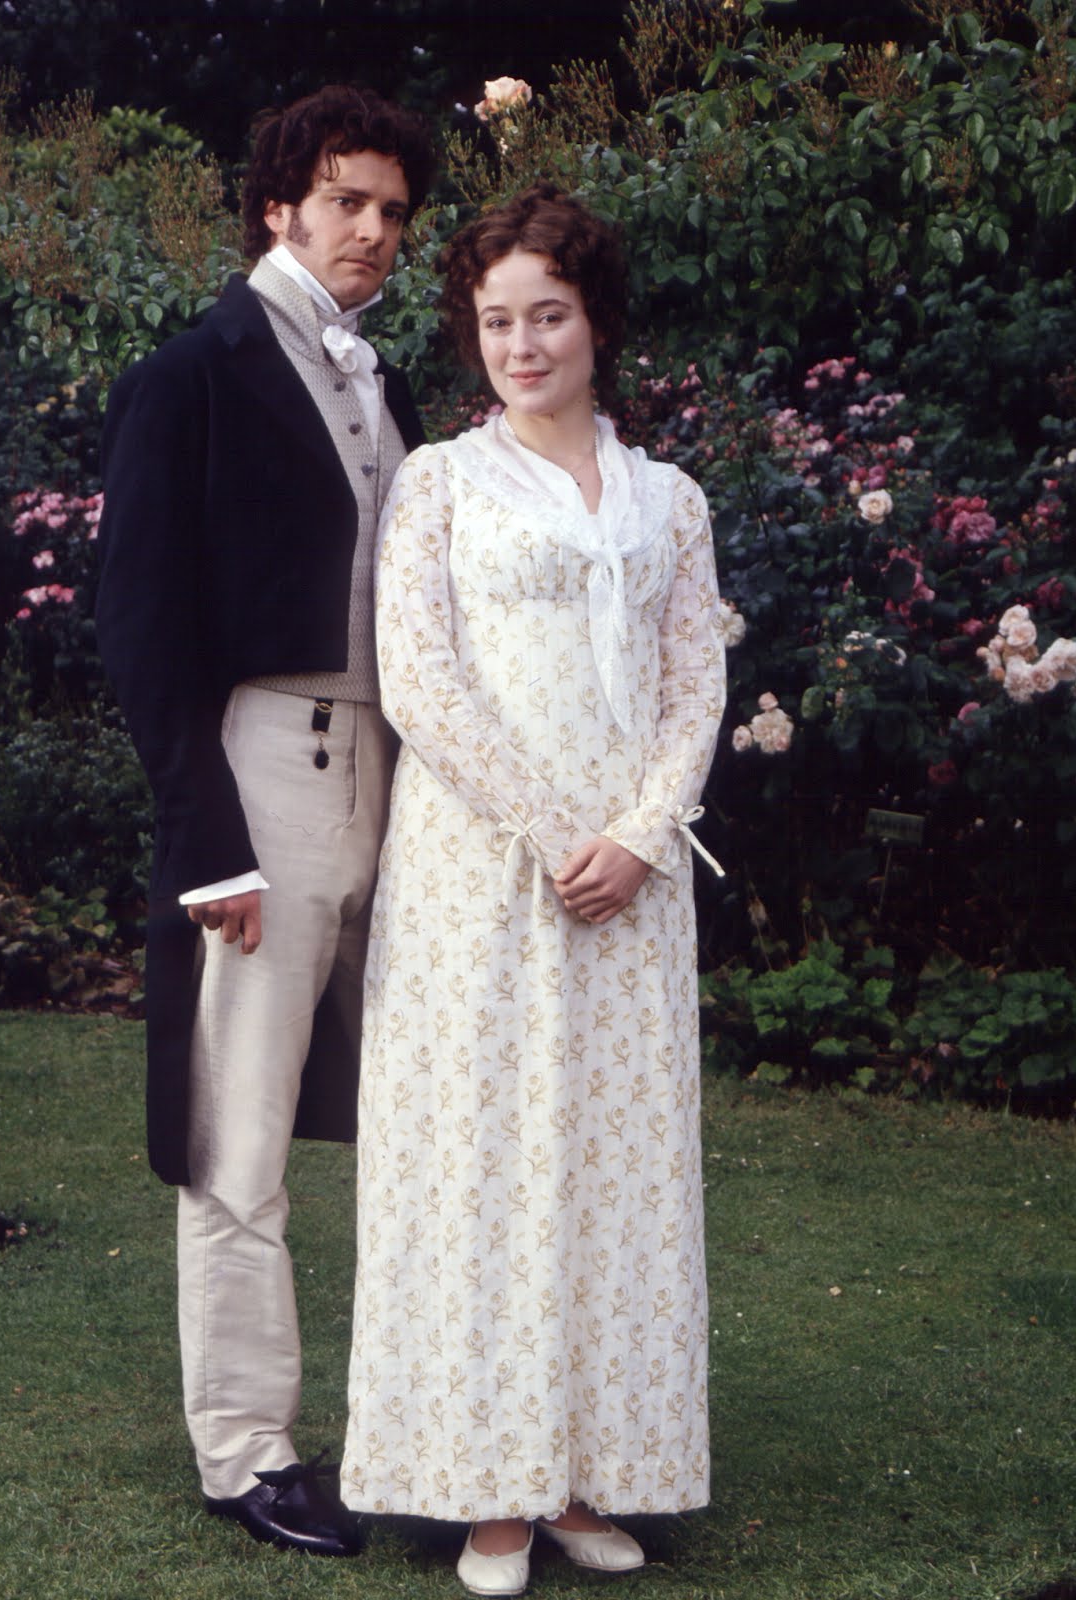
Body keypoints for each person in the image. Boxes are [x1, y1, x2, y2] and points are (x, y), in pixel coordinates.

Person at [340, 185, 726, 1596]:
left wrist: (640, 834)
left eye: (547, 316)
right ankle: (484, 1489)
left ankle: (580, 1477)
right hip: (481, 876)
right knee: (482, 1161)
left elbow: (695, 683)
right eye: (496, 321)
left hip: (632, 885)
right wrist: (559, 833)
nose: (521, 345)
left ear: (596, 322)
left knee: (612, 1171)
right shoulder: (440, 483)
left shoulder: (670, 501)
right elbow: (418, 682)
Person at [95, 84, 434, 1559]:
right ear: (279, 205)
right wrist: (207, 847)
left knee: (429, 1116)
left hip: (402, 781)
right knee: (240, 1138)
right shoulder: (193, 375)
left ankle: (436, 1422)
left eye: (393, 211)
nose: (373, 231)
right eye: (346, 201)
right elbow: (139, 629)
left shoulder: (387, 381)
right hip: (263, 778)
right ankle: (245, 1452)